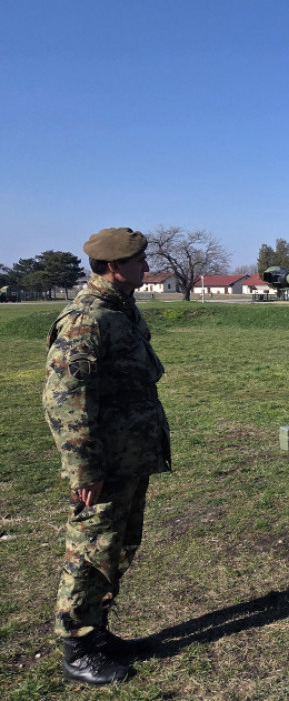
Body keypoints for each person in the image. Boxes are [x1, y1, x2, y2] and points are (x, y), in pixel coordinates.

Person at [43, 227, 171, 685]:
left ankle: (97, 633)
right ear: (115, 267)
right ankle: (77, 648)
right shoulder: (87, 318)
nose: (146, 268)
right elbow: (66, 398)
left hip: (131, 455)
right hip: (104, 463)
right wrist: (83, 467)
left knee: (116, 548)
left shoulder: (122, 309)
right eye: (139, 261)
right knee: (90, 550)